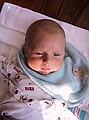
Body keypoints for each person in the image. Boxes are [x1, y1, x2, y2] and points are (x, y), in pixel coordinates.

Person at [0, 19, 89, 120]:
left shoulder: (67, 77)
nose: (47, 61)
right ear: (25, 51)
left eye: (56, 55)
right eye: (39, 53)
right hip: (13, 115)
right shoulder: (16, 68)